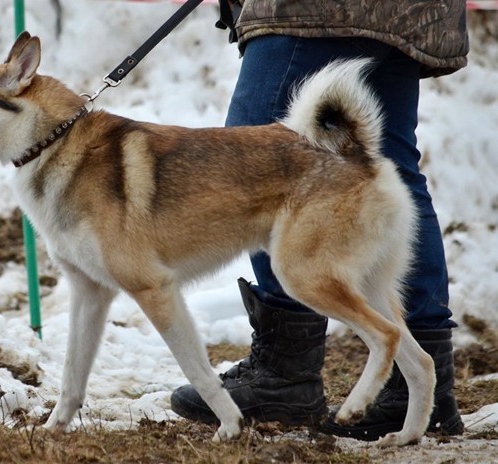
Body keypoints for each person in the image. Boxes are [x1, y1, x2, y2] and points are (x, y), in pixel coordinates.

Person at [170, 0, 470, 440]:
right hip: (411, 13)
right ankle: (420, 390)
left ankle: (284, 373)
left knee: (251, 153)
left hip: (314, 10)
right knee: (377, 168)